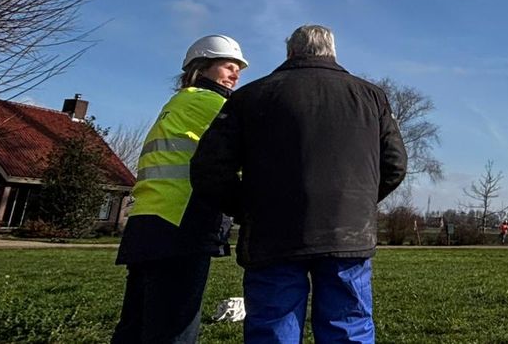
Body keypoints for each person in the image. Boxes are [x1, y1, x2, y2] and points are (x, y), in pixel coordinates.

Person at [191, 24, 407, 344]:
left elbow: (209, 169)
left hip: (272, 233)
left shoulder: (250, 97)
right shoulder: (371, 97)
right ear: (332, 53)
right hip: (347, 234)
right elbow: (395, 165)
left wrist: (247, 207)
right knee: (348, 325)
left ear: (290, 52)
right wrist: (355, 204)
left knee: (273, 328)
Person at [112, 34, 249, 344]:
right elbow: (252, 142)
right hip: (181, 224)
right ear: (202, 68)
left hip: (147, 223)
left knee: (135, 325)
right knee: (174, 328)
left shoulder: (177, 103)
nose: (236, 74)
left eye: (239, 68)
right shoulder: (211, 102)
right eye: (228, 66)